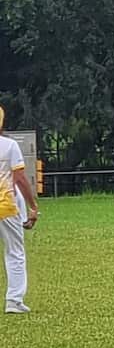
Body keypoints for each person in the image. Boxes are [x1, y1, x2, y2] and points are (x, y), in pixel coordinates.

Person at [1, 105, 39, 314]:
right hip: (6, 207)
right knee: (14, 252)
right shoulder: (10, 146)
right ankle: (14, 301)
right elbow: (20, 179)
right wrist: (33, 206)